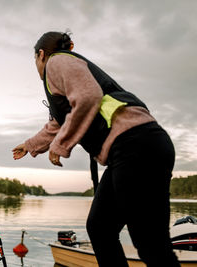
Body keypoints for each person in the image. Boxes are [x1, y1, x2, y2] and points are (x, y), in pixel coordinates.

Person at [12, 31, 180, 267]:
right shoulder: (66, 69)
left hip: (135, 145)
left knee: (150, 243)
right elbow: (59, 123)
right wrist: (30, 145)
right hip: (139, 146)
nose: (37, 68)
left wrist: (61, 145)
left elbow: (89, 96)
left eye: (35, 61)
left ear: (41, 54)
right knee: (101, 227)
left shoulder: (56, 61)